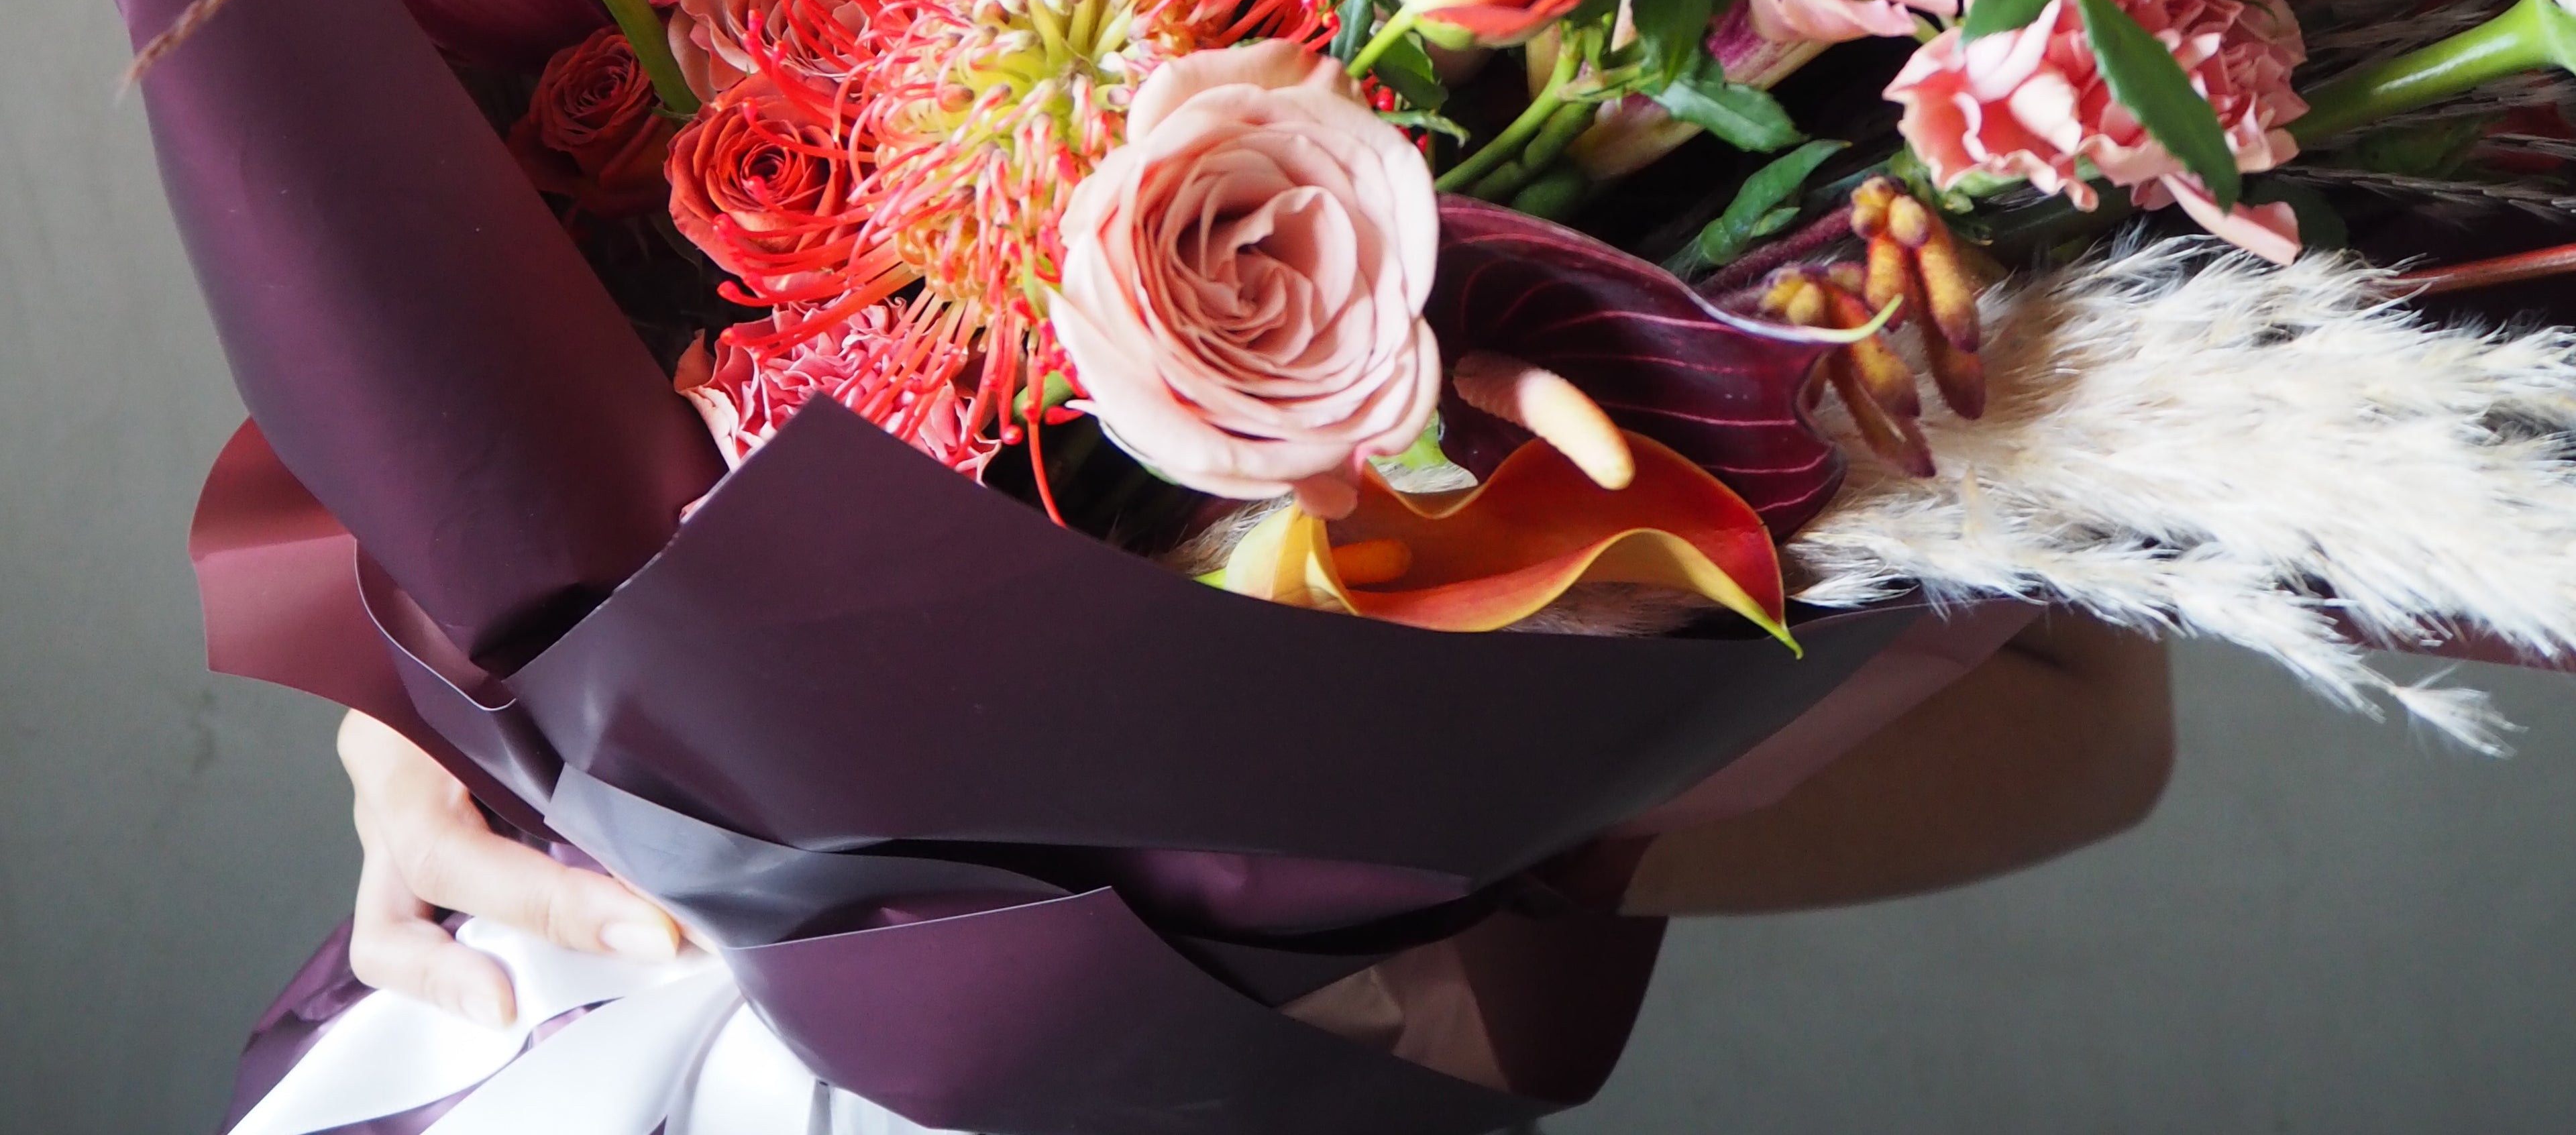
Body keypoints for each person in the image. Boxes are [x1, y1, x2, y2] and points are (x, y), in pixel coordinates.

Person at [335, 609, 2173, 1027]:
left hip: (1290, 1056)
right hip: (568, 981)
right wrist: (413, 665)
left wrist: (1402, 841)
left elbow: (2094, 722)